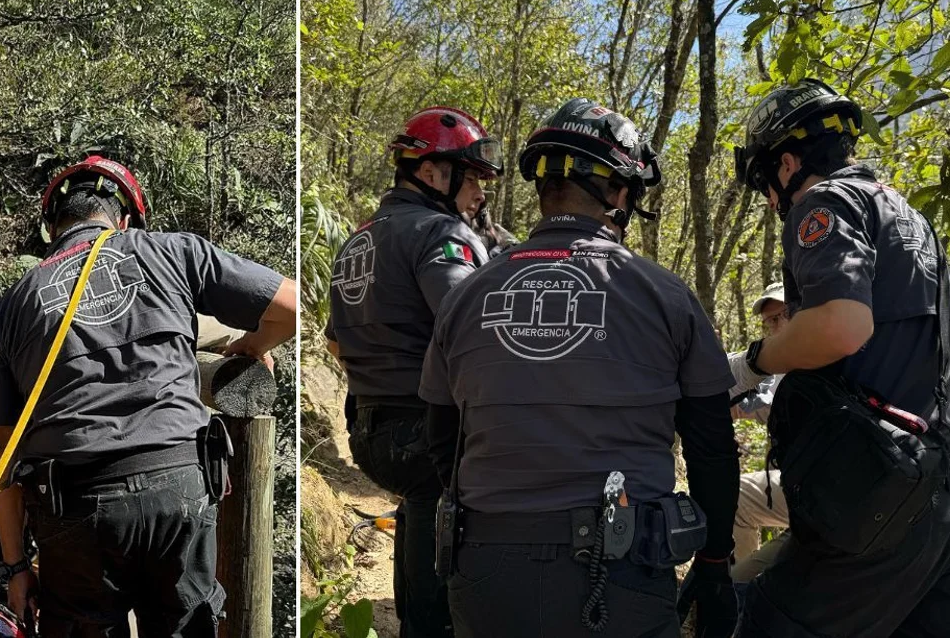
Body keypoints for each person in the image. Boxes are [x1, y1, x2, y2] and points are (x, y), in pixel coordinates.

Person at [419, 98, 740, 638]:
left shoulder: (467, 294)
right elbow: (712, 446)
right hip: (623, 571)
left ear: (544, 189)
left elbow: (440, 437)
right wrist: (713, 565)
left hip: (487, 569)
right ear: (618, 193)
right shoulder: (664, 295)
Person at [0, 155, 296, 637]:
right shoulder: (171, 251)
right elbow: (290, 306)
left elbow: (2, 452)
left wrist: (17, 567)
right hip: (179, 486)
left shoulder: (13, 305)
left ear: (52, 227)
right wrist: (251, 346)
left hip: (74, 506)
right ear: (125, 219)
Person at [731, 79, 950, 637]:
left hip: (872, 490)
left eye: (765, 185)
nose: (771, 202)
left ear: (786, 164)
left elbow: (840, 325)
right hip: (931, 490)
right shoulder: (909, 219)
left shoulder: (825, 203)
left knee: (756, 621)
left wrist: (753, 362)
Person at [325, 106, 501, 637]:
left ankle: (413, 620)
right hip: (427, 427)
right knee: (441, 513)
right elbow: (469, 327)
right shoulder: (440, 232)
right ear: (431, 173)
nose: (481, 194)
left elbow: (335, 342)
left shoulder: (358, 239)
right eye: (472, 179)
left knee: (421, 503)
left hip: (369, 428)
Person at [723, 283, 790, 583]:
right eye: (769, 322)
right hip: (798, 486)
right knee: (735, 496)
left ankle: (744, 590)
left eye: (781, 316)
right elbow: (745, 403)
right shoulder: (775, 371)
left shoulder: (833, 356)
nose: (775, 328)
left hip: (838, 499)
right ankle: (741, 583)